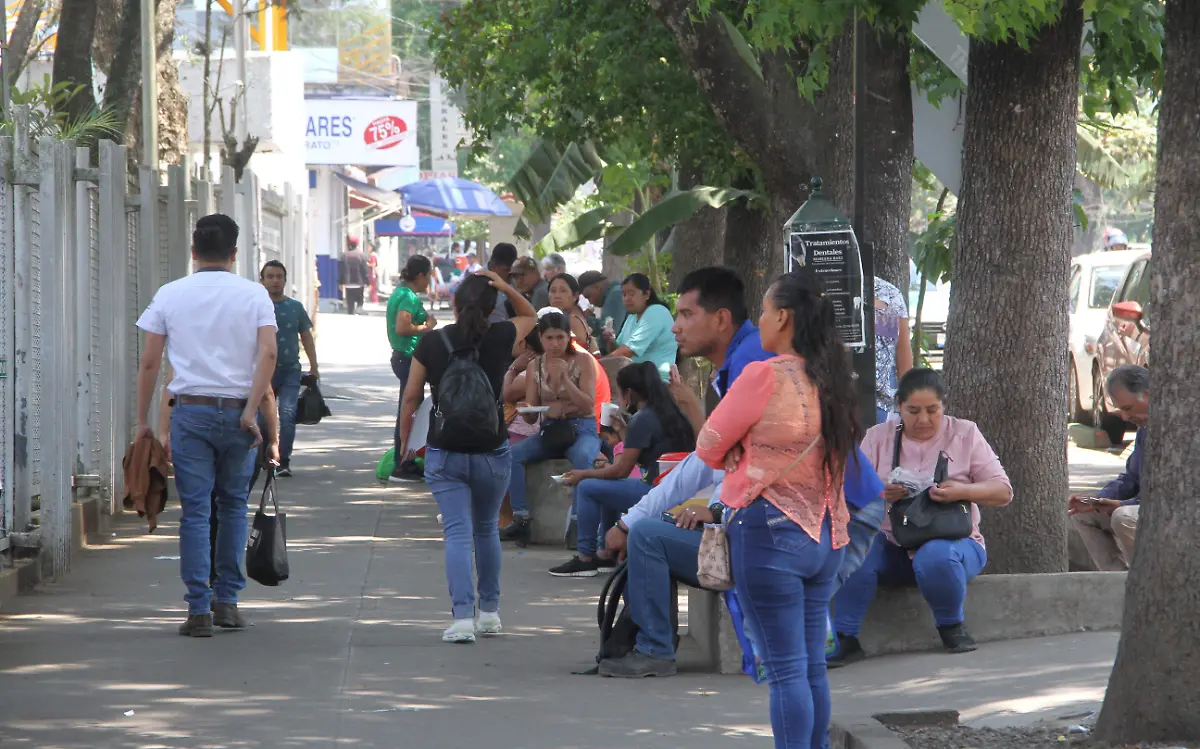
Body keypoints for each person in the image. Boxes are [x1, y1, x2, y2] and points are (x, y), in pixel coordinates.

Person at [693, 270, 861, 749]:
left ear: (783, 316)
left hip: (769, 534)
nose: (761, 321)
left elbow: (707, 445)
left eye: (765, 311)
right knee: (810, 667)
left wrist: (740, 452)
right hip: (826, 534)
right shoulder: (834, 380)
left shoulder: (762, 375)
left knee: (785, 671)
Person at [134, 214, 277, 637]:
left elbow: (149, 362)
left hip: (190, 412)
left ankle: (198, 610)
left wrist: (143, 421)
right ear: (235, 254)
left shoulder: (170, 295)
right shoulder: (254, 296)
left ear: (193, 252)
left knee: (195, 511)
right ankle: (227, 602)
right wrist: (251, 410)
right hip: (238, 414)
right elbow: (268, 355)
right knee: (232, 505)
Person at [830, 368, 1014, 665]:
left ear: (944, 407)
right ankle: (845, 637)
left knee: (936, 556)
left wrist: (961, 491)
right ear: (899, 407)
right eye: (913, 411)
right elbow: (844, 495)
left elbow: (1003, 492)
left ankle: (951, 625)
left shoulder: (965, 433)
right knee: (856, 548)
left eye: (933, 410)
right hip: (891, 543)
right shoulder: (878, 437)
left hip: (954, 543)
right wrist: (878, 492)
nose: (924, 420)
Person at [397, 271, 537, 643]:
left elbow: (411, 397)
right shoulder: (502, 335)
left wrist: (404, 444)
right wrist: (506, 287)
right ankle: (489, 614)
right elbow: (532, 316)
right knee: (487, 528)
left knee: (457, 532)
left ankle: (461, 620)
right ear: (493, 308)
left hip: (446, 450)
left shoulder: (431, 342)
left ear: (454, 304)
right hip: (492, 448)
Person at [551, 362, 695, 577]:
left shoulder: (643, 418)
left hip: (655, 492)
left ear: (629, 393)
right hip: (675, 490)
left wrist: (583, 474)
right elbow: (646, 454)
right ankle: (606, 552)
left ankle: (585, 557)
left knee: (588, 487)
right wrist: (622, 430)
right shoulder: (671, 414)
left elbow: (621, 470)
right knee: (606, 487)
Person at [504, 312, 602, 534]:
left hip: (581, 429)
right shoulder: (536, 366)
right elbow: (532, 412)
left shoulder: (583, 361)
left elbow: (588, 405)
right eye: (549, 338)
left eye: (560, 337)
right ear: (540, 338)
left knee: (584, 458)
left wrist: (565, 379)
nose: (555, 344)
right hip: (550, 430)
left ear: (569, 338)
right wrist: (527, 411)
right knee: (513, 456)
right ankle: (521, 517)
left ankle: (578, 523)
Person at [1068, 364, 1148, 571]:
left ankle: (1144, 576)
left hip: (1165, 511)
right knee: (1083, 515)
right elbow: (1131, 478)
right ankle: (1117, 578)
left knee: (1123, 517)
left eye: (1127, 409)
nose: (1124, 417)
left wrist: (1121, 505)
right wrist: (1097, 499)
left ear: (1148, 395)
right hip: (1141, 505)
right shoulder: (1144, 431)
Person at [259, 260, 318, 477]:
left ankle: (283, 461)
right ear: (262, 280)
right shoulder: (255, 306)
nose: (275, 281)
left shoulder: (295, 307)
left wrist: (314, 366)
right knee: (261, 418)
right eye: (270, 277)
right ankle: (264, 457)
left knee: (287, 414)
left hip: (290, 370)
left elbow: (306, 337)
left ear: (285, 280)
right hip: (262, 372)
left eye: (279, 277)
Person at [386, 255, 437, 483]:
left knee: (408, 411)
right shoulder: (407, 296)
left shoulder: (401, 293)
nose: (429, 282)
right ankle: (402, 463)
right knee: (408, 412)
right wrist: (427, 328)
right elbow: (402, 327)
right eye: (428, 276)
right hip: (407, 359)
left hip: (403, 358)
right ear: (420, 275)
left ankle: (405, 459)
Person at [607, 273, 677, 382]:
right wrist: (610, 341)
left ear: (647, 294)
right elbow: (619, 351)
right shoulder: (632, 317)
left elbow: (628, 351)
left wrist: (596, 365)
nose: (626, 298)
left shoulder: (656, 311)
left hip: (658, 384)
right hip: (636, 382)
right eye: (624, 294)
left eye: (631, 294)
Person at [873, 276, 913, 423]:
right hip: (826, 399)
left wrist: (908, 397)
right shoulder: (816, 289)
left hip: (878, 402)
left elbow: (903, 350)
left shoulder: (888, 292)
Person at [578, 270, 627, 354]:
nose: (591, 302)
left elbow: (609, 331)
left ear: (596, 288)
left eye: (588, 296)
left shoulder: (615, 294)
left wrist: (588, 317)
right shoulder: (615, 293)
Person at [548, 273, 597, 353]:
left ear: (575, 296)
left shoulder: (572, 320)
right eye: (553, 291)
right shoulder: (567, 317)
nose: (557, 296)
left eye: (563, 291)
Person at [488, 243, 520, 323]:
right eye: (506, 270)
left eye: (512, 270)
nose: (510, 274)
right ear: (493, 266)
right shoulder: (478, 282)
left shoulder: (514, 280)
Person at [341, 237, 371, 315]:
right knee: (360, 300)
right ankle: (359, 309)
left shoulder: (345, 255)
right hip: (359, 283)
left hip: (348, 283)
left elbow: (341, 270)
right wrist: (368, 282)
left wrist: (340, 282)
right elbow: (365, 270)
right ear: (357, 244)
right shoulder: (361, 255)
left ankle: (351, 313)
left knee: (350, 302)